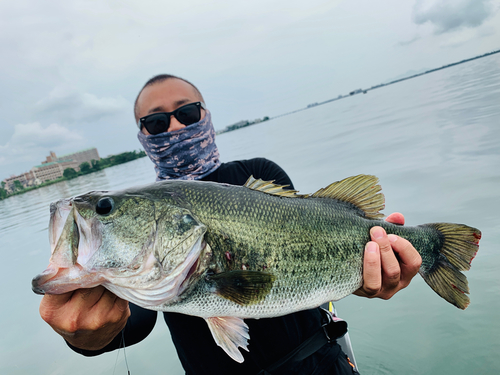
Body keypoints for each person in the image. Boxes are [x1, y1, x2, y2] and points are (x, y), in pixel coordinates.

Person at [39, 75, 422, 374]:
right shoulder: (146, 223)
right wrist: (89, 337)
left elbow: (310, 251)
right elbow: (132, 318)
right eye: (156, 122)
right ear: (143, 136)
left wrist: (363, 275)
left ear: (206, 116)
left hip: (318, 364)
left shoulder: (258, 174)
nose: (173, 127)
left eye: (186, 113)